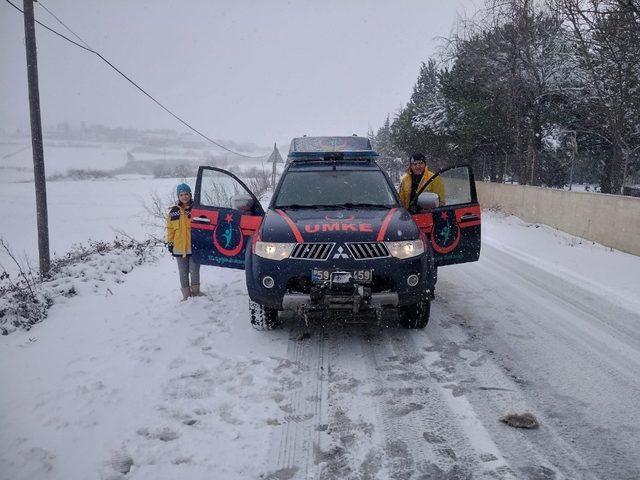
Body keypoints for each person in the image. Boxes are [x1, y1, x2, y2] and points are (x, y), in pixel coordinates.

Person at [166, 183, 202, 300]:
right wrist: (170, 243)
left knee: (194, 270)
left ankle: (196, 293)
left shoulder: (196, 208)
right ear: (178, 196)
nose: (184, 197)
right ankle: (186, 295)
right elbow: (170, 229)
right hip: (179, 247)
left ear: (190, 194)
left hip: (194, 246)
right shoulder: (173, 212)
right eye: (181, 194)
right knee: (183, 272)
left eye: (186, 194)